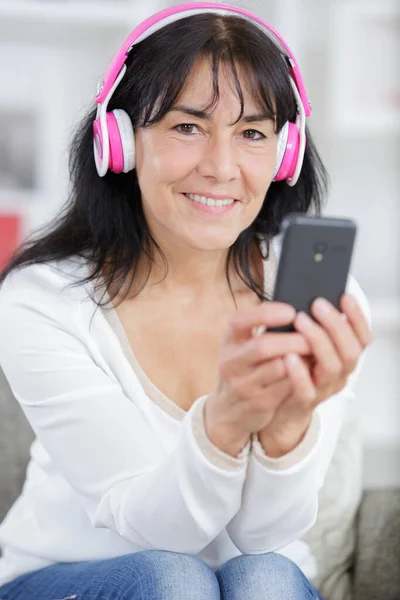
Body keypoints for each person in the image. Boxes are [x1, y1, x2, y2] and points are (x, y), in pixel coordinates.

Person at [0, 3, 372, 599]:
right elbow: (156, 531)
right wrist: (224, 424)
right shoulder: (43, 299)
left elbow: (264, 536)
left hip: (256, 576)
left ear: (285, 154)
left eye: (252, 133)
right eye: (187, 126)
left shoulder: (317, 296)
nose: (221, 168)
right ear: (119, 141)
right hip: (69, 578)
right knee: (172, 579)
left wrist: (288, 426)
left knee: (268, 577)